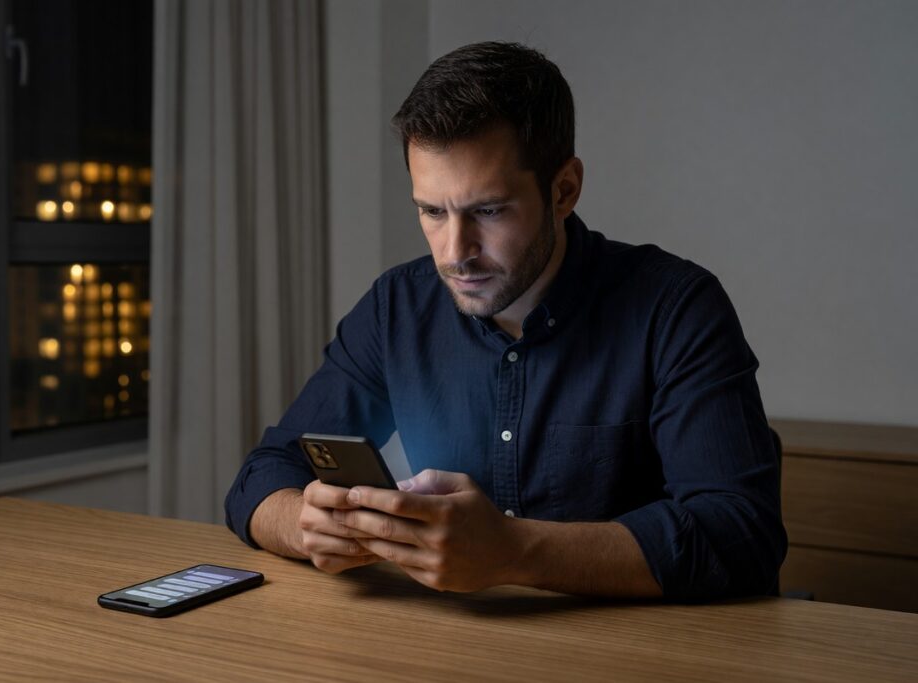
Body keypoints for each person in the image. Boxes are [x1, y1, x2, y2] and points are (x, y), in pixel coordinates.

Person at [224, 41, 786, 600]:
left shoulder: (676, 307)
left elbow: (740, 535)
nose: (454, 252)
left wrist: (513, 551)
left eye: (487, 211)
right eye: (431, 211)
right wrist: (307, 525)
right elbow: (260, 478)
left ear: (563, 190)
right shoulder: (397, 306)